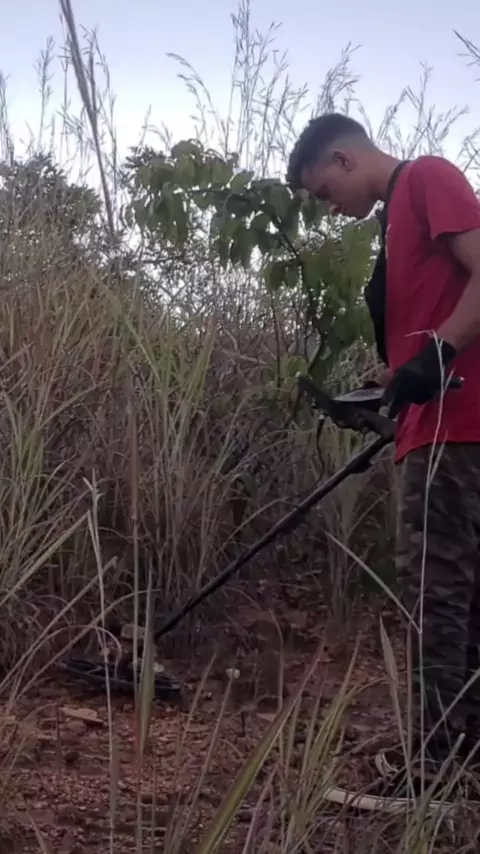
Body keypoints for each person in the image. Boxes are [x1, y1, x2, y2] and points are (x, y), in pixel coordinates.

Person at [287, 113, 480, 799]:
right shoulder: (393, 219)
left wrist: (439, 354)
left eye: (321, 192)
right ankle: (463, 754)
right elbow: (435, 322)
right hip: (435, 421)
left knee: (436, 590)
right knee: (460, 595)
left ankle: (434, 766)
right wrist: (394, 380)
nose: (325, 207)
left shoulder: (426, 178)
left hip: (458, 424)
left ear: (343, 160)